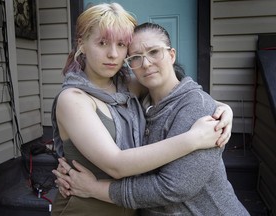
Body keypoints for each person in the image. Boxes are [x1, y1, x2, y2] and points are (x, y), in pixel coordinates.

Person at [51, 3, 233, 216]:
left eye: (120, 45)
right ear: (82, 44)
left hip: (129, 207)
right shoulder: (73, 99)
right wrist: (193, 139)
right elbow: (115, 164)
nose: (112, 54)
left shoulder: (126, 86)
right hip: (86, 207)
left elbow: (178, 90)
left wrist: (221, 109)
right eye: (102, 43)